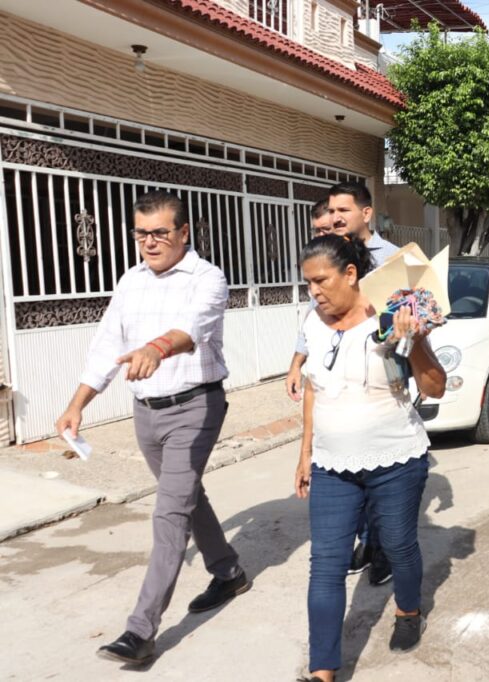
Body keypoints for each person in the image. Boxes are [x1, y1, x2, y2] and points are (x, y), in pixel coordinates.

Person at [55, 190, 248, 666]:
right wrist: (77, 403)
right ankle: (228, 572)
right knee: (185, 497)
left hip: (196, 407)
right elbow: (106, 345)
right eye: (142, 233)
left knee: (168, 515)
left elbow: (195, 327)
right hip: (147, 412)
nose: (150, 242)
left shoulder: (208, 278)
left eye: (161, 232)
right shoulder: (130, 282)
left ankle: (140, 631)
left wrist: (156, 349)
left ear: (184, 232)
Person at [294, 235, 445, 681]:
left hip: (395, 458)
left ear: (351, 274)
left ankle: (409, 610)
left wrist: (413, 340)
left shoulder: (392, 314)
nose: (314, 291)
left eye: (321, 280)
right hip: (332, 464)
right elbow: (311, 388)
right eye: (308, 284)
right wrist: (305, 453)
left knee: (398, 545)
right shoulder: (314, 322)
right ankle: (322, 669)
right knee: (326, 562)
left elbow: (435, 387)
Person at [285, 183, 399, 583]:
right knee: (348, 473)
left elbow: (409, 321)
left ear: (365, 214)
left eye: (341, 210)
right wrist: (299, 360)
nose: (333, 218)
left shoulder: (392, 260)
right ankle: (366, 542)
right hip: (336, 384)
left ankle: (383, 549)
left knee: (378, 481)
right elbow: (316, 315)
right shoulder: (326, 256)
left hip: (382, 384)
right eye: (330, 211)